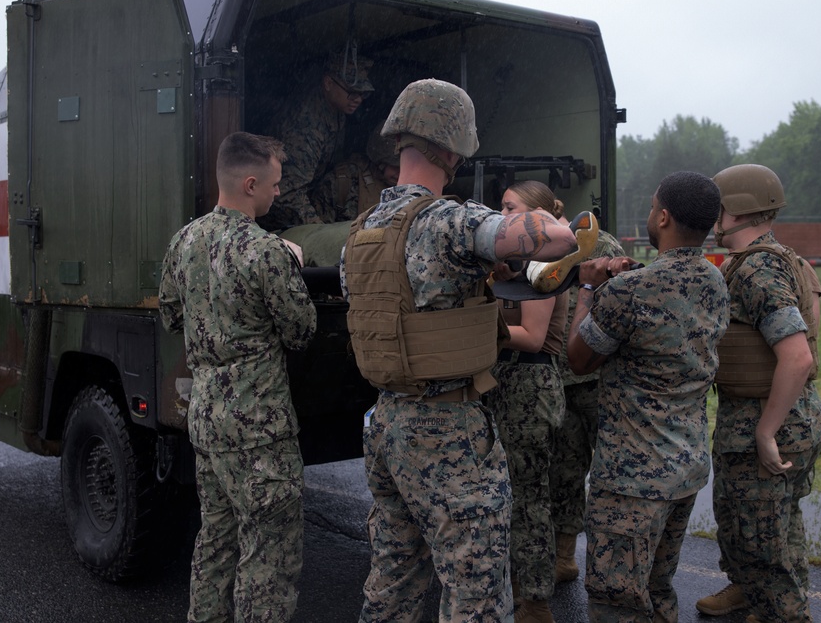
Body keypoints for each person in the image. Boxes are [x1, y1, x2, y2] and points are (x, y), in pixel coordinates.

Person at [340, 78, 581, 622]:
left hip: (386, 422)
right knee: (476, 589)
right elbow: (558, 240)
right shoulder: (449, 220)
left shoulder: (361, 231)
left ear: (400, 139)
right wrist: (549, 222)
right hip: (447, 429)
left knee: (392, 579)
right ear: (452, 151)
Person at [158, 132, 317, 622]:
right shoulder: (267, 250)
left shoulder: (184, 241)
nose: (278, 192)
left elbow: (170, 315)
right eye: (274, 184)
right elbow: (302, 331)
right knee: (268, 557)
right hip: (259, 429)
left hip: (207, 421)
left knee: (216, 540)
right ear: (250, 184)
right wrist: (293, 264)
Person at [567, 171, 730, 623]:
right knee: (657, 590)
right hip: (685, 469)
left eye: (653, 204)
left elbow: (579, 358)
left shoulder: (629, 290)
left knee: (617, 601)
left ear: (663, 217)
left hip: (631, 481)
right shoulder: (714, 280)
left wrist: (589, 288)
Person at [696, 164, 821, 623]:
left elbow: (798, 357)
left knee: (764, 542)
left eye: (716, 208)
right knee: (772, 528)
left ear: (734, 210)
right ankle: (750, 592)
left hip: (767, 420)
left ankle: (782, 611)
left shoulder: (758, 271)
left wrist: (766, 432)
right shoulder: (782, 259)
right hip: (788, 415)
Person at [486, 180, 570, 623]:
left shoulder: (548, 262)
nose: (500, 216)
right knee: (504, 493)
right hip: (502, 381)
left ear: (535, 215)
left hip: (529, 385)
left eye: (509, 207)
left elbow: (533, 336)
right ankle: (514, 584)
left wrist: (475, 328)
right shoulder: (513, 262)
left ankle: (535, 601)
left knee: (528, 497)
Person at [549, 227, 626, 584]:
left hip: (598, 378)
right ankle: (564, 556)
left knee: (613, 472)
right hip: (560, 380)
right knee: (564, 472)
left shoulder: (599, 244)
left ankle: (618, 562)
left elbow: (620, 299)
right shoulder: (538, 247)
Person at [264, 47, 375, 228]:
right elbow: (287, 193)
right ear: (328, 83)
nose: (358, 99)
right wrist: (320, 231)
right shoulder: (305, 124)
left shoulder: (337, 109)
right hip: (279, 218)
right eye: (352, 92)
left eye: (363, 94)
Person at [312, 119, 401, 222]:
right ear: (380, 163)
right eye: (396, 167)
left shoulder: (413, 188)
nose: (402, 173)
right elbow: (316, 228)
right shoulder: (344, 182)